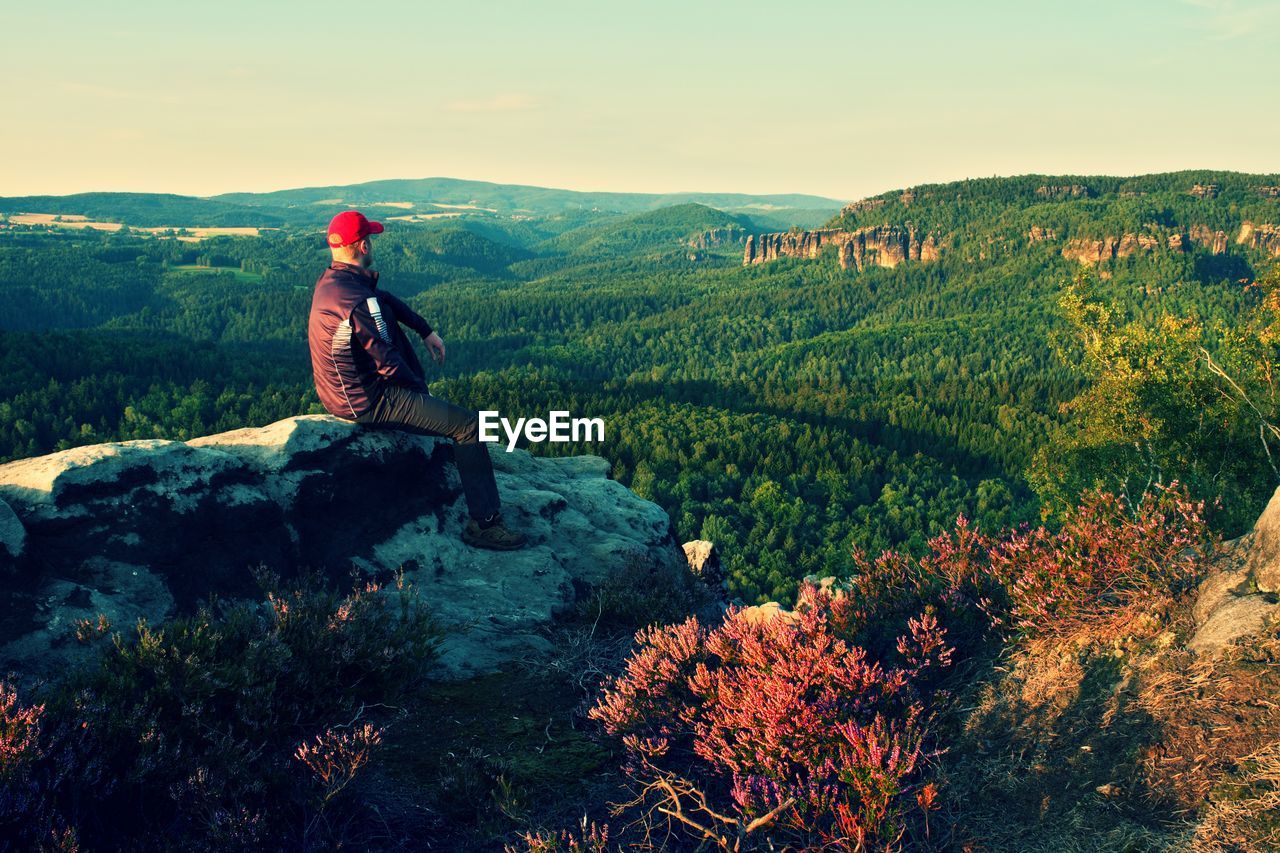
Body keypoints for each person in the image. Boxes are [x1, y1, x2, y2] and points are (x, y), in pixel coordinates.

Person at [307, 210, 527, 550]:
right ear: (363, 244)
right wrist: (422, 401)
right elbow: (390, 363)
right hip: (366, 400)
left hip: (340, 392)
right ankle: (484, 524)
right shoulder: (360, 302)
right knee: (469, 426)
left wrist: (424, 329)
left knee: (387, 318)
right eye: (371, 239)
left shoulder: (335, 284)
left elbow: (385, 300)